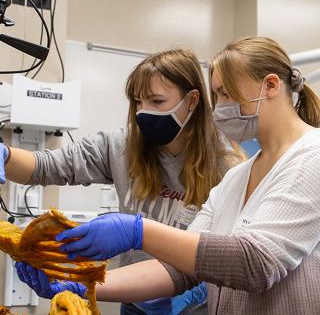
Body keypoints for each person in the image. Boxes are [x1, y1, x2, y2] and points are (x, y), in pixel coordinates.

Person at [15, 36, 320, 314]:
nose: (220, 108)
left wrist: (138, 231)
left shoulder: (315, 155)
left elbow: (255, 262)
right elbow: (182, 269)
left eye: (227, 94)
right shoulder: (238, 179)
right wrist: (81, 283)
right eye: (217, 96)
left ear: (270, 86)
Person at [2, 49, 243, 314]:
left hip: (191, 305)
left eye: (157, 101)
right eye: (138, 102)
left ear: (192, 100)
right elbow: (46, 166)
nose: (144, 112)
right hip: (133, 298)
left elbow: (220, 257)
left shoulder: (226, 166)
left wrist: (195, 291)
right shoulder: (122, 146)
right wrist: (6, 156)